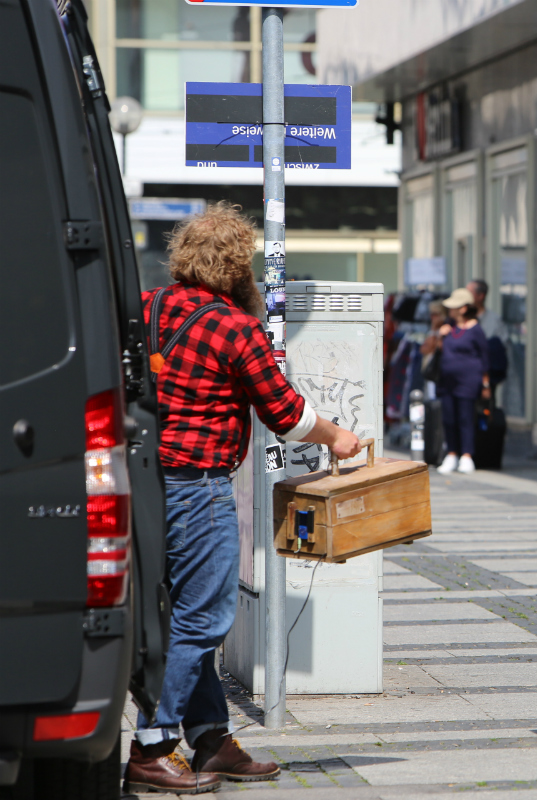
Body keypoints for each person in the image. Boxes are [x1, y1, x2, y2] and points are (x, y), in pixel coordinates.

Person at [126, 203, 362, 794]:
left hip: (146, 485)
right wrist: (339, 435)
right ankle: (152, 747)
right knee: (204, 618)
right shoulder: (236, 327)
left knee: (180, 615)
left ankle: (211, 740)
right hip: (200, 487)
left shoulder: (148, 309)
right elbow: (282, 410)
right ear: (238, 267)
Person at [436, 287, 490, 474]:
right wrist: (441, 336)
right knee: (449, 418)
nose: (451, 310)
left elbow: (484, 358)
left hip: (468, 381)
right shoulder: (448, 328)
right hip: (447, 381)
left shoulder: (476, 329)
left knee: (465, 417)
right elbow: (438, 352)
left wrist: (485, 383)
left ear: (464, 308)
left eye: (455, 306)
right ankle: (451, 453)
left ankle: (467, 455)